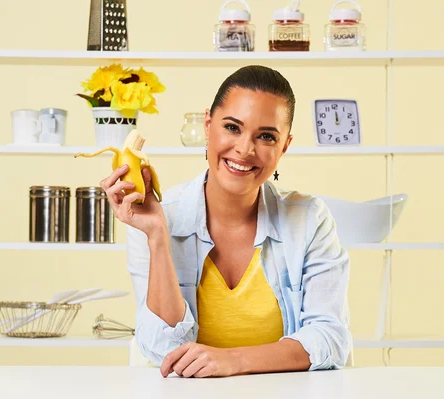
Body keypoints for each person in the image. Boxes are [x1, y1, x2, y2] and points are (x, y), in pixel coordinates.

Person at [100, 65, 351, 378]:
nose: (245, 149)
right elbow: (164, 350)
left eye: (266, 136)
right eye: (232, 128)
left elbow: (331, 338)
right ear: (208, 125)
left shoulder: (309, 219)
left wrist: (234, 360)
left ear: (284, 146)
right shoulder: (157, 217)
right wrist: (157, 237)